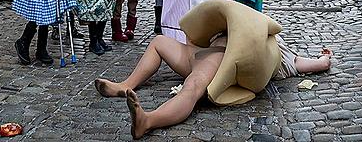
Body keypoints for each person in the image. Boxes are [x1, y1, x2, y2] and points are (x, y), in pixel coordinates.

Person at [95, 28, 331, 139]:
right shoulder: (243, 24)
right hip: (203, 51)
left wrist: (324, 58)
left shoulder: (283, 54)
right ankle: (125, 84)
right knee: (159, 41)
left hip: (222, 60)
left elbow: (312, 65)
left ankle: (148, 121)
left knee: (193, 86)